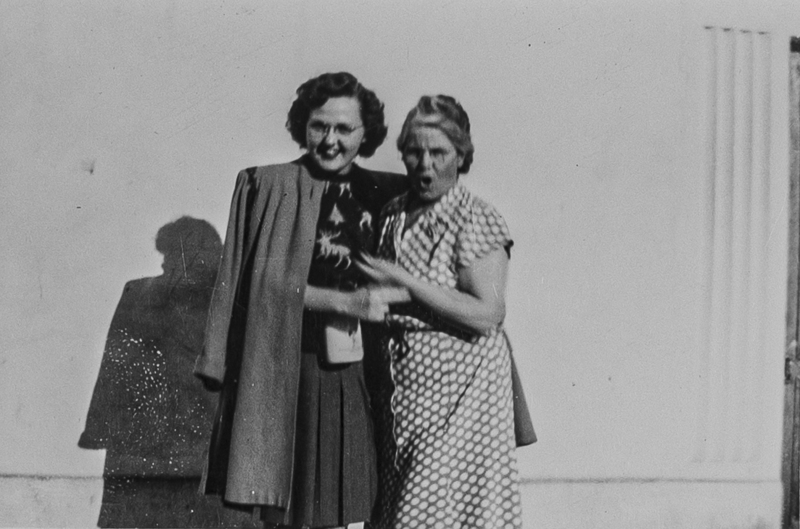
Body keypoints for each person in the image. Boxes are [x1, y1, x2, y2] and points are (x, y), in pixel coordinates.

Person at [193, 72, 407, 529]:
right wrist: (345, 303)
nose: (330, 140)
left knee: (351, 505)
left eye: (344, 129)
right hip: (292, 367)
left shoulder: (390, 193)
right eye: (319, 127)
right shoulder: (268, 187)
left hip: (367, 373)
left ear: (366, 132)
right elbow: (258, 286)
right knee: (286, 508)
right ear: (302, 126)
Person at [356, 95, 523, 528]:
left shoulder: (475, 219)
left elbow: (487, 314)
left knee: (430, 510)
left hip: (462, 391)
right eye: (415, 151)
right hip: (405, 394)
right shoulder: (395, 214)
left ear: (461, 155)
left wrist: (407, 282)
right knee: (403, 511)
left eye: (439, 153)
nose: (425, 164)